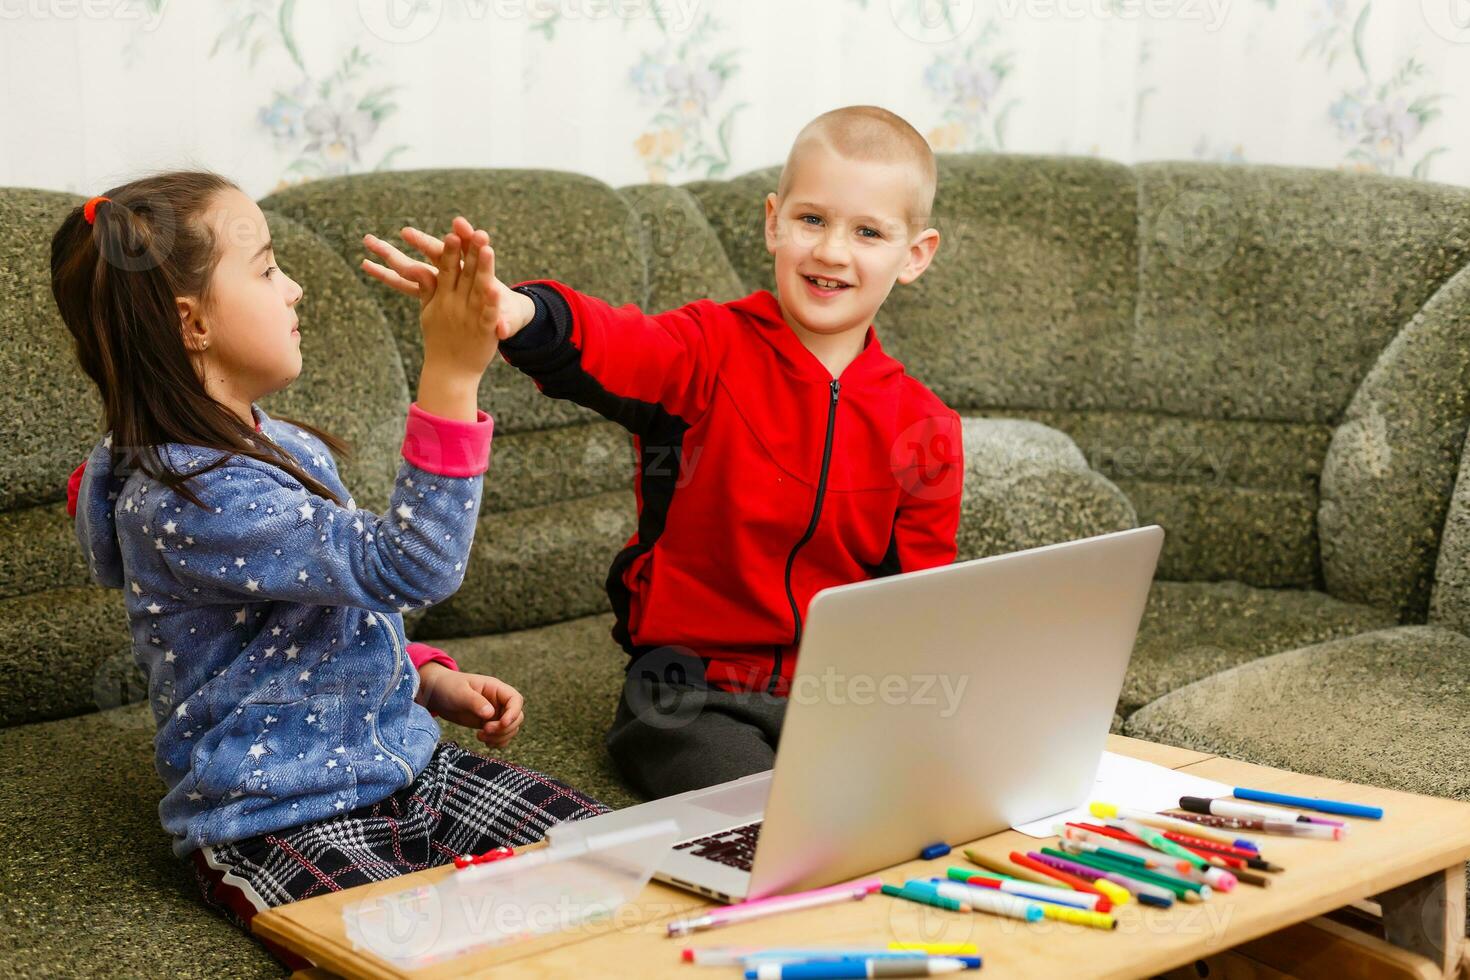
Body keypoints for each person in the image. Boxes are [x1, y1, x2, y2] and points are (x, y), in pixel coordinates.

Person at [54, 171, 607, 970]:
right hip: (280, 818)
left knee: (622, 864)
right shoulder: (184, 501)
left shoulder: (281, 444)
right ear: (191, 322)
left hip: (416, 773)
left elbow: (317, 611)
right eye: (270, 268)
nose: (297, 288)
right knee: (415, 955)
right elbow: (409, 567)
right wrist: (451, 377)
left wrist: (418, 675)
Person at [362, 105, 965, 801]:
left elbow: (917, 605)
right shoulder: (706, 350)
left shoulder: (927, 428)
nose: (832, 250)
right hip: (689, 694)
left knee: (928, 796)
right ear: (773, 221)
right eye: (811, 220)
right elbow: (615, 340)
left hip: (838, 695)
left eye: (868, 231)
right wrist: (521, 314)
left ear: (914, 254)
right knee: (772, 818)